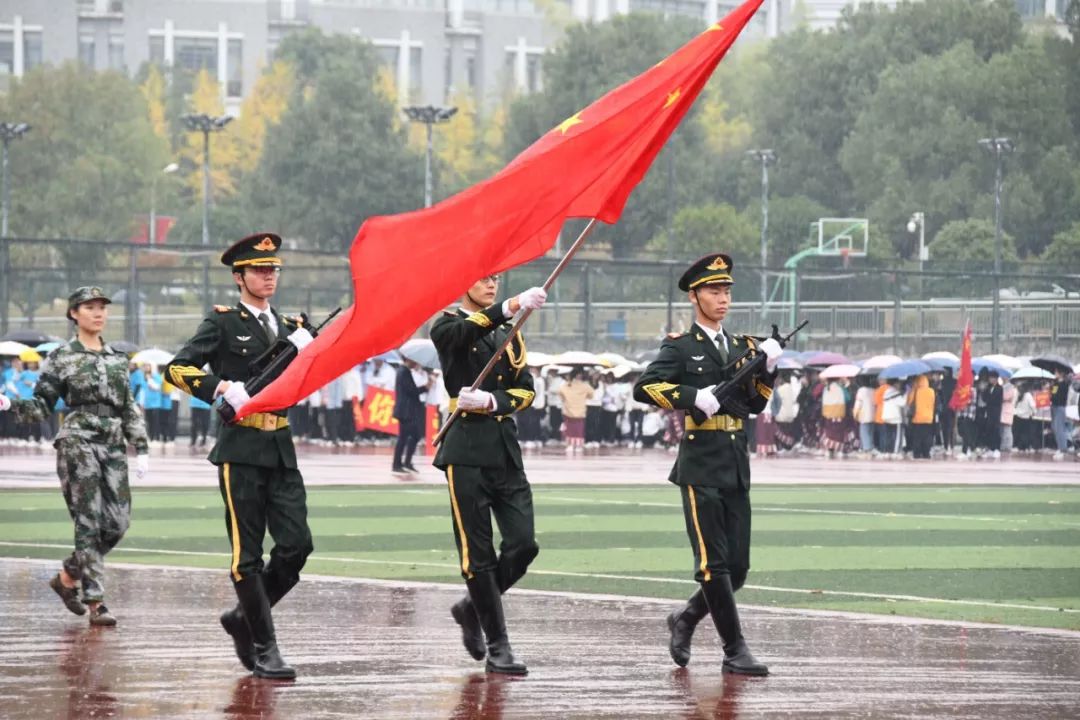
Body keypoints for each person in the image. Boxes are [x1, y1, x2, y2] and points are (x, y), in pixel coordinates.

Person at [164, 233, 316, 680]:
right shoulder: (223, 323)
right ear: (240, 276)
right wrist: (220, 388)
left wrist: (312, 350)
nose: (268, 277)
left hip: (281, 446)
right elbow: (179, 367)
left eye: (273, 270)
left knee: (297, 546)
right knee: (246, 554)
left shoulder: (291, 328)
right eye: (259, 270)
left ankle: (242, 619)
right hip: (241, 448)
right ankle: (265, 647)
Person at [633, 253, 781, 676]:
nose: (723, 299)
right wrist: (691, 396)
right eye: (715, 291)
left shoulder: (740, 347)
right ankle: (735, 650)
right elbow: (644, 388)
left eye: (727, 291)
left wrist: (768, 369)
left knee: (737, 569)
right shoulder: (680, 347)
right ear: (695, 296)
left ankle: (686, 619)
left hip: (735, 461)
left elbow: (753, 405)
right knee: (712, 565)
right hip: (699, 464)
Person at [0, 286, 149, 626]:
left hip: (111, 442)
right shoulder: (62, 357)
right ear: (74, 314)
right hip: (77, 440)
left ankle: (67, 577)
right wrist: (10, 405)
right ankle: (96, 601)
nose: (98, 313)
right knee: (89, 521)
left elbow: (128, 406)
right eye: (90, 307)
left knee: (118, 523)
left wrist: (140, 447)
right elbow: (42, 404)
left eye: (102, 307)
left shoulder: (116, 358)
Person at [429, 273, 547, 675]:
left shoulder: (510, 336)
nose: (492, 283)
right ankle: (499, 645)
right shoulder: (446, 324)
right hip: (464, 450)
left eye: (497, 278)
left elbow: (527, 390)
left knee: (523, 544)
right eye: (483, 277)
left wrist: (493, 400)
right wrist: (511, 307)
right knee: (477, 554)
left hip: (503, 449)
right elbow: (460, 335)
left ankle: (471, 608)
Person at [392, 358, 430, 473]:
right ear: (409, 359)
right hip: (406, 411)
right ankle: (398, 464)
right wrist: (425, 387)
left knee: (413, 436)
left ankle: (405, 462)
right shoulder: (403, 372)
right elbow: (411, 390)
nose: (417, 363)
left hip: (408, 410)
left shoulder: (404, 371)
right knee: (406, 437)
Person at [558, 368, 594, 454]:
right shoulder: (585, 385)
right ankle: (578, 445)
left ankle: (570, 445)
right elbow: (591, 395)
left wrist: (566, 399)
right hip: (580, 409)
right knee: (579, 428)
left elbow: (560, 393)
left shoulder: (566, 385)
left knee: (570, 428)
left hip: (569, 409)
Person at [907, 374, 936, 459]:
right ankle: (926, 453)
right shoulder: (931, 391)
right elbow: (933, 402)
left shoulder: (915, 391)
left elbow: (909, 402)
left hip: (917, 418)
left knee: (917, 437)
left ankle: (917, 453)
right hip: (928, 418)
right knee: (927, 436)